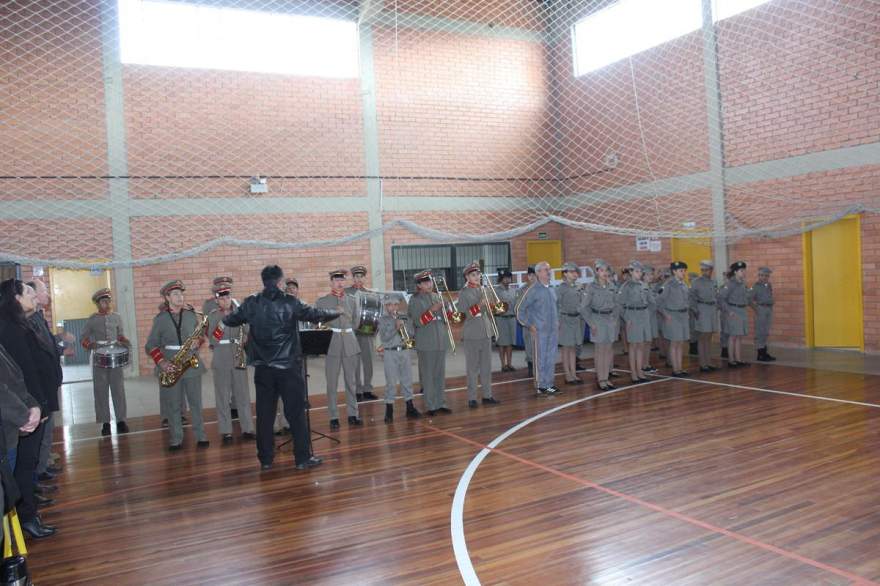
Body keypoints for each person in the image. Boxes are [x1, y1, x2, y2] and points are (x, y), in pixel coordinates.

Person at [223, 265, 340, 470]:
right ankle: (302, 458)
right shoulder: (290, 302)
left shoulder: (252, 303)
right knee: (295, 412)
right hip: (288, 368)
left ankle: (266, 460)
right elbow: (315, 314)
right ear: (279, 282)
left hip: (263, 369)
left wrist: (229, 310)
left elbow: (230, 320)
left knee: (265, 414)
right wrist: (335, 311)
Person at [0, 279, 58, 538]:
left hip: (34, 405)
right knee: (23, 465)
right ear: (15, 299)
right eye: (29, 293)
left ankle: (29, 505)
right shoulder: (9, 329)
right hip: (25, 413)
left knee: (27, 464)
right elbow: (22, 374)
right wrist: (35, 408)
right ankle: (27, 517)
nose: (34, 297)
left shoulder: (20, 325)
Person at [145, 280, 209, 451]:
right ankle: (176, 438)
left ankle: (201, 435)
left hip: (191, 363)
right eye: (175, 294)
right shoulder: (160, 319)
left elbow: (200, 334)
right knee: (173, 405)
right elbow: (150, 345)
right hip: (171, 365)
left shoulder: (190, 315)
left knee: (196, 402)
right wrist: (162, 363)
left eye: (181, 294)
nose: (180, 297)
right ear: (167, 298)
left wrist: (199, 340)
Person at [0, 344, 41, 544]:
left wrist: (32, 403)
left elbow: (16, 381)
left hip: (9, 433)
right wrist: (24, 415)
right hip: (6, 432)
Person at [207, 282, 256, 444]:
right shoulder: (213, 315)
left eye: (228, 296)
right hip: (221, 355)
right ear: (217, 301)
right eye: (223, 298)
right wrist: (224, 321)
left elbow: (249, 331)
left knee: (242, 394)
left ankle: (247, 428)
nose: (226, 300)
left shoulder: (239, 313)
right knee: (223, 396)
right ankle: (226, 431)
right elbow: (213, 339)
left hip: (237, 354)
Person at [26, 279, 63, 484]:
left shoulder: (39, 317)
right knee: (41, 429)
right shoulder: (29, 321)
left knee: (48, 427)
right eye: (43, 290)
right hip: (40, 385)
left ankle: (43, 464)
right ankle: (38, 471)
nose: (47, 293)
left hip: (49, 381)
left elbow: (48, 345)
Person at [316, 269, 362, 429]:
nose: (340, 283)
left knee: (351, 381)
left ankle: (353, 414)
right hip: (332, 342)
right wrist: (334, 313)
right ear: (331, 282)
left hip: (349, 342)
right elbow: (319, 322)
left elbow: (356, 323)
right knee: (332, 383)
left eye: (342, 280)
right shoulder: (323, 301)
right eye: (336, 280)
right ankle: (333, 416)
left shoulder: (352, 300)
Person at [80, 288, 130, 436]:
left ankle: (121, 420)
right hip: (99, 358)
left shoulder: (117, 317)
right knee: (101, 391)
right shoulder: (92, 319)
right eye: (103, 301)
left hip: (114, 357)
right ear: (97, 303)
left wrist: (124, 341)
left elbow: (120, 334)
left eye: (108, 301)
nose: (107, 304)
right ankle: (105, 422)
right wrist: (90, 345)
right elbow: (83, 338)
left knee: (118, 390)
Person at [408, 271, 452, 415]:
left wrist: (447, 308)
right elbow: (418, 322)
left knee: (440, 374)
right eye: (425, 282)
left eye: (430, 281)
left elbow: (447, 319)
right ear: (419, 285)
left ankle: (441, 403)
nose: (429, 284)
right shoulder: (415, 300)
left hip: (440, 340)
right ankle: (431, 405)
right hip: (426, 341)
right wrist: (433, 310)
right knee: (428, 375)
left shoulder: (436, 296)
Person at [458, 262, 499, 408]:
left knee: (486, 367)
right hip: (472, 333)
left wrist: (493, 307)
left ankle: (487, 395)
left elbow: (489, 312)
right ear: (467, 277)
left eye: (478, 274)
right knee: (473, 367)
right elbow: (463, 315)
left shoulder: (484, 290)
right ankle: (472, 398)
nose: (477, 277)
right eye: (473, 275)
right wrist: (479, 305)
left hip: (486, 331)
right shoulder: (464, 293)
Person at [516, 261, 560, 396]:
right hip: (540, 332)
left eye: (549, 269)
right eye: (546, 270)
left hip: (552, 331)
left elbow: (555, 308)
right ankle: (541, 385)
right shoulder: (533, 290)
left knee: (551, 358)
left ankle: (549, 384)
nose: (549, 272)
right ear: (538, 273)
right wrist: (529, 324)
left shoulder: (552, 289)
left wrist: (557, 322)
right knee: (540, 359)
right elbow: (519, 310)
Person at [376, 293, 421, 422]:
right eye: (389, 305)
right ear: (385, 306)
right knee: (391, 382)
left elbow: (411, 333)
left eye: (395, 304)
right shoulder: (382, 319)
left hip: (404, 350)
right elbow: (384, 338)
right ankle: (389, 410)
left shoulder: (404, 316)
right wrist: (396, 328)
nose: (393, 307)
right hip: (390, 352)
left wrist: (404, 325)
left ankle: (410, 407)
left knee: (407, 380)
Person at [581, 259, 620, 390]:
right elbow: (583, 307)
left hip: (609, 320)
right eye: (601, 270)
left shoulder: (611, 286)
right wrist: (591, 323)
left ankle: (606, 378)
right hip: (597, 319)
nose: (604, 273)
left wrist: (614, 318)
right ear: (597, 272)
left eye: (606, 270)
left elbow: (617, 304)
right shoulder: (591, 287)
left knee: (608, 350)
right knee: (600, 351)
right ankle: (601, 379)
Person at [345, 266, 378, 401]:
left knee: (368, 361)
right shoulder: (346, 293)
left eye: (361, 276)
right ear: (353, 278)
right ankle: (357, 390)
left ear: (365, 278)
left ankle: (367, 389)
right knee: (355, 363)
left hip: (367, 332)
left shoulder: (371, 293)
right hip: (352, 332)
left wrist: (375, 328)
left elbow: (375, 313)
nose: (358, 279)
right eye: (356, 276)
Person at [617, 261, 652, 384]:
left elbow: (649, 301)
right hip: (632, 316)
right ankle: (634, 373)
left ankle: (640, 370)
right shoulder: (626, 286)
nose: (639, 274)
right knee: (633, 346)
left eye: (640, 271)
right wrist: (627, 319)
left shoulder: (643, 285)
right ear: (631, 272)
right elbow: (619, 305)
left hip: (643, 315)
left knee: (641, 345)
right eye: (636, 271)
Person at [658, 261, 690, 377]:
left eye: (684, 270)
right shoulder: (668, 284)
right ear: (674, 272)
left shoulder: (684, 284)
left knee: (680, 343)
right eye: (681, 271)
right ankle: (675, 369)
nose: (683, 273)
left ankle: (680, 368)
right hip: (673, 316)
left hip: (683, 316)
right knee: (674, 343)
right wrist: (665, 314)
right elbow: (659, 301)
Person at [557, 262, 584, 385]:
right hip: (565, 319)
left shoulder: (578, 287)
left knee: (573, 347)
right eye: (572, 272)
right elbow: (556, 306)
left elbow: (582, 303)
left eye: (576, 272)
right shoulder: (561, 288)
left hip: (576, 319)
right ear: (565, 274)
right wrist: (557, 322)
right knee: (566, 348)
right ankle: (567, 374)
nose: (575, 274)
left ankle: (573, 373)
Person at [719, 261, 751, 367]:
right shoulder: (730, 284)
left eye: (744, 270)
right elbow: (721, 299)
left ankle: (738, 359)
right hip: (733, 310)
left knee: (739, 336)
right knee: (732, 336)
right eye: (741, 271)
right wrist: (729, 311)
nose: (743, 272)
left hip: (741, 310)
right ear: (735, 272)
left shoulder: (742, 283)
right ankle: (731, 360)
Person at [689, 261, 719, 372]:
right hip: (702, 310)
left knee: (709, 337)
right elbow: (691, 297)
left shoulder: (713, 281)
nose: (704, 272)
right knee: (703, 337)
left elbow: (716, 295)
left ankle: (708, 362)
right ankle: (703, 364)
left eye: (706, 270)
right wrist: (695, 310)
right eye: (702, 270)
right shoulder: (696, 282)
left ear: (711, 270)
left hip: (711, 309)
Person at [750, 266, 776, 362]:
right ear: (759, 276)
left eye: (766, 276)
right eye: (762, 275)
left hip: (768, 309)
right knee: (760, 332)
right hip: (760, 309)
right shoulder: (755, 286)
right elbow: (749, 299)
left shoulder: (768, 285)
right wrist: (756, 309)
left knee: (766, 332)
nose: (764, 277)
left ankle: (764, 352)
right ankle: (760, 354)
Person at [515, 266, 537, 376]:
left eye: (534, 275)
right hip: (528, 323)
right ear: (527, 276)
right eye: (530, 275)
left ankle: (540, 366)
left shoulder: (543, 288)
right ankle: (530, 366)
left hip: (541, 323)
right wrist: (526, 323)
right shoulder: (522, 290)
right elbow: (519, 308)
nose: (532, 277)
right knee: (529, 346)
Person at [493, 269, 516, 372]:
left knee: (510, 343)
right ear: (501, 279)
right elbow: (493, 306)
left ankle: (509, 364)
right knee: (502, 343)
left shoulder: (513, 290)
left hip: (511, 318)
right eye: (505, 278)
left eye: (508, 277)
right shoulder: (496, 291)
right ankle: (503, 365)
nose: (507, 279)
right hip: (501, 318)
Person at [642, 265, 659, 375]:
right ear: (643, 276)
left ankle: (646, 364)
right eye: (648, 275)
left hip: (651, 317)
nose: (651, 276)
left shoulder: (650, 287)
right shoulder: (643, 287)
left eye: (652, 274)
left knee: (648, 342)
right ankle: (643, 365)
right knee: (644, 342)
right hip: (645, 317)